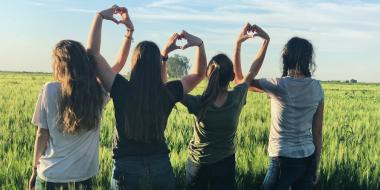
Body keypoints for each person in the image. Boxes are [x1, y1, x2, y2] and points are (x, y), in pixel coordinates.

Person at [86, 5, 207, 190]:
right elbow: (199, 74)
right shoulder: (167, 92)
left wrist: (100, 16)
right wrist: (199, 44)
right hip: (160, 166)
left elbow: (92, 55)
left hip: (126, 168)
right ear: (157, 65)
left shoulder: (120, 87)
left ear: (134, 64)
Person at [28, 6, 131, 190]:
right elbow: (119, 64)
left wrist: (35, 168)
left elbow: (42, 134)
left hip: (51, 175)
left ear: (59, 66)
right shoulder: (98, 92)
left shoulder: (49, 90)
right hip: (83, 178)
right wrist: (128, 32)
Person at [181, 23, 270, 190]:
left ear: (208, 75)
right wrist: (264, 41)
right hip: (225, 165)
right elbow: (252, 71)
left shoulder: (199, 102)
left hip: (198, 165)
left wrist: (164, 55)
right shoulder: (237, 96)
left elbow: (169, 91)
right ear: (232, 76)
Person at [235, 34, 324, 189]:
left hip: (282, 160)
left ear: (285, 57)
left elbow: (240, 82)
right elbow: (317, 133)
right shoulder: (317, 88)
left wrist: (238, 44)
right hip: (307, 159)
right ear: (308, 59)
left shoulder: (278, 85)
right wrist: (315, 167)